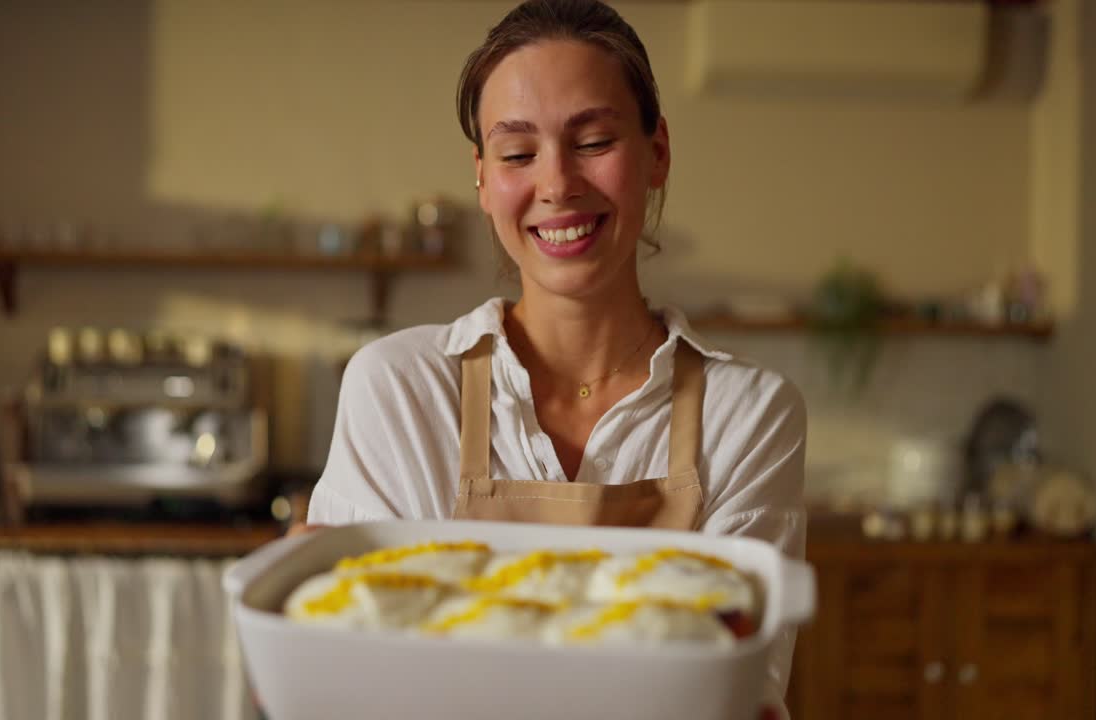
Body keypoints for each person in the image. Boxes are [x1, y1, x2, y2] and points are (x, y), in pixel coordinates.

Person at [303, 0, 805, 713]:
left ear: (657, 151)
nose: (557, 184)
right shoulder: (401, 390)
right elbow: (354, 683)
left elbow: (738, 692)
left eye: (594, 140)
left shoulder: (748, 415)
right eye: (516, 153)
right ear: (481, 178)